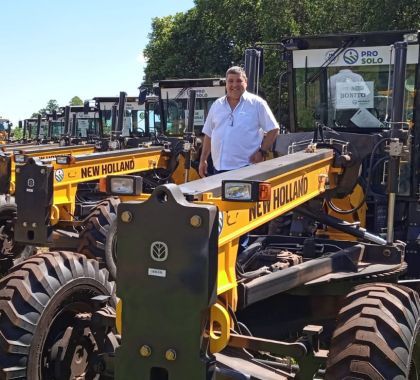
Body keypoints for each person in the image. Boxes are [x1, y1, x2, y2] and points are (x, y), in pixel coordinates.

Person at [199, 66, 279, 177]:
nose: (234, 85)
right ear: (226, 84)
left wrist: (262, 151)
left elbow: (274, 129)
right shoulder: (217, 105)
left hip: (246, 169)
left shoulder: (257, 103)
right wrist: (203, 160)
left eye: (239, 81)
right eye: (230, 81)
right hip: (219, 169)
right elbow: (209, 134)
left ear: (245, 83)